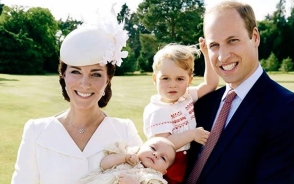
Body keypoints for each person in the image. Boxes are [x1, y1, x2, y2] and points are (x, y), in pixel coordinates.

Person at [11, 7, 143, 184]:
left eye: (96, 74)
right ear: (63, 75)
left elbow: (148, 176)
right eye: (76, 72)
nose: (84, 83)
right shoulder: (36, 131)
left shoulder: (125, 130)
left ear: (107, 80)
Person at [184, 1, 294, 184]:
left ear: (255, 36)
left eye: (232, 41)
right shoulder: (203, 104)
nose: (223, 56)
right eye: (214, 45)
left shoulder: (287, 110)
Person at [143, 43, 219, 184]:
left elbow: (211, 84)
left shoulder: (186, 96)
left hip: (188, 158)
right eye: (165, 78)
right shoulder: (157, 110)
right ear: (155, 79)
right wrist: (192, 134)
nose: (173, 84)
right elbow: (164, 144)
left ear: (189, 80)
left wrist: (207, 56)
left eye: (180, 79)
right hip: (168, 164)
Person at [77, 137, 176, 184]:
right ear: (142, 147)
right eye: (153, 148)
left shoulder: (154, 178)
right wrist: (124, 157)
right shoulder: (128, 152)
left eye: (163, 158)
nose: (156, 154)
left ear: (163, 171)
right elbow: (104, 164)